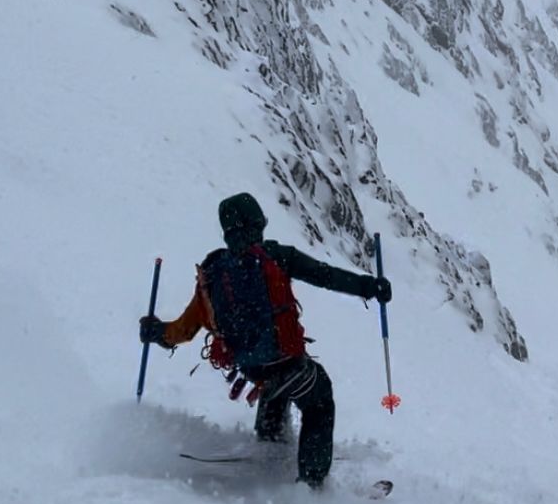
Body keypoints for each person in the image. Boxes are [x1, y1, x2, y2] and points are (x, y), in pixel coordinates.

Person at [139, 193, 391, 487]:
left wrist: (155, 331)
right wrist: (369, 286)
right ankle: (312, 485)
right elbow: (325, 276)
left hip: (253, 369)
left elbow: (181, 332)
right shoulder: (276, 256)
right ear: (256, 225)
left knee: (274, 385)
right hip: (287, 363)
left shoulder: (212, 276)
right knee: (318, 401)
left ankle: (272, 446)